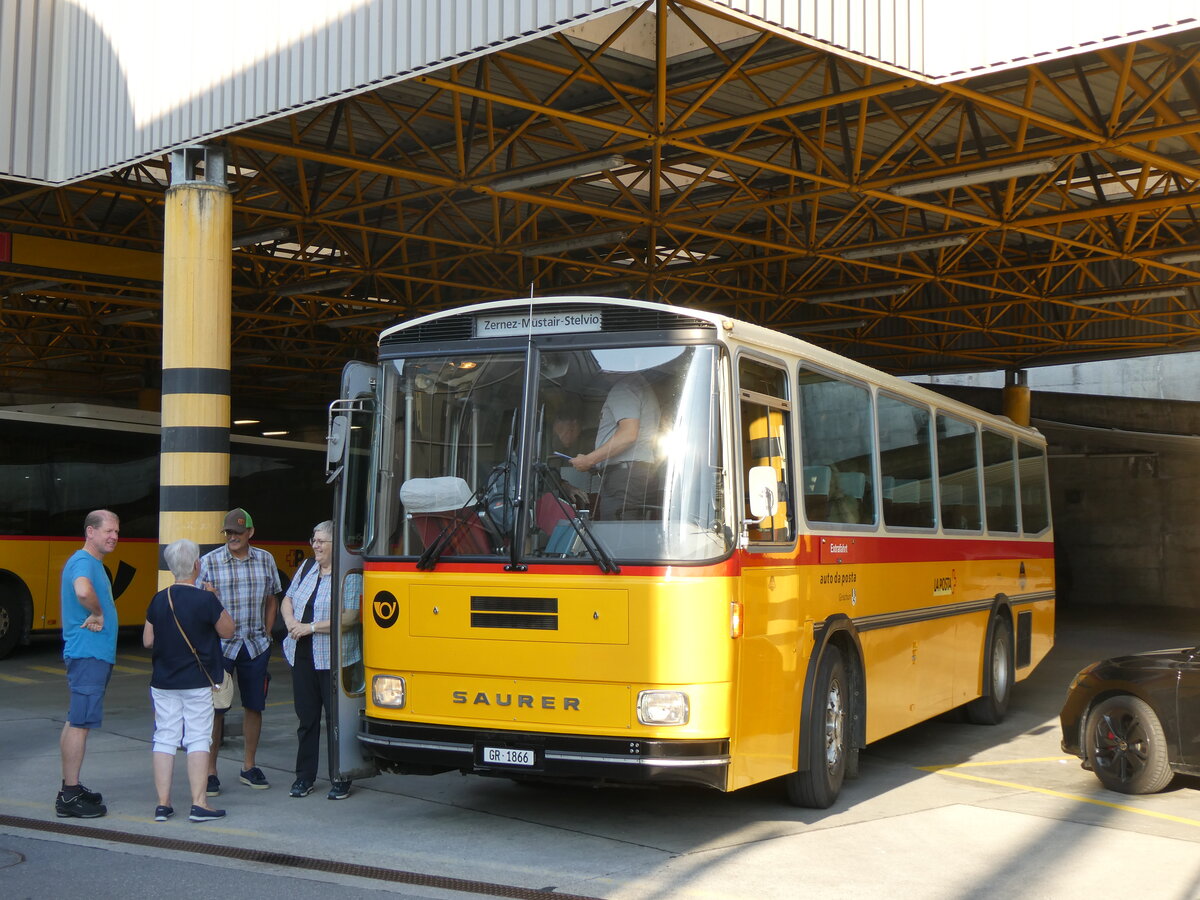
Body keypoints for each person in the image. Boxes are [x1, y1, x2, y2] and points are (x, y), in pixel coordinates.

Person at [143, 539, 235, 823]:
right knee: (197, 738)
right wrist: (213, 598)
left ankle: (163, 804)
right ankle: (199, 803)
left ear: (171, 568)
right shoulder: (205, 599)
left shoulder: (159, 599)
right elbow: (228, 631)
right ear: (197, 565)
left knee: (165, 737)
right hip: (197, 681)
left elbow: (148, 641)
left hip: (163, 681)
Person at [199, 507, 281, 795]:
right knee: (216, 709)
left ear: (250, 533)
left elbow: (272, 598)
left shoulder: (266, 560)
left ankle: (249, 766)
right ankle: (210, 772)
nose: (232, 537)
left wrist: (268, 632)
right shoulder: (208, 562)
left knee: (254, 706)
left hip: (255, 645)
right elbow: (199, 606)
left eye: (237, 532)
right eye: (228, 533)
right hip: (221, 647)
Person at [281, 520, 361, 800]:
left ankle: (341, 775)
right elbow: (287, 599)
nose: (314, 545)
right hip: (301, 654)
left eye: (320, 541)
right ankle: (304, 778)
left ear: (334, 544)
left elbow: (350, 618)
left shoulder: (348, 574)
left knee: (336, 719)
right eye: (313, 540)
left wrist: (310, 627)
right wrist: (291, 621)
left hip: (333, 659)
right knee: (307, 718)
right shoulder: (306, 568)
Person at [55, 510, 120, 818]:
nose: (114, 537)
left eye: (117, 532)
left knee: (76, 719)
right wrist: (96, 612)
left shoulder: (92, 563)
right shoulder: (83, 562)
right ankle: (69, 796)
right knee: (80, 723)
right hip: (88, 654)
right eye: (108, 531)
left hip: (91, 654)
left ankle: (72, 787)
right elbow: (82, 590)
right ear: (90, 532)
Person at [569, 373, 661, 519]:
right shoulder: (642, 387)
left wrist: (589, 460)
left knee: (616, 535)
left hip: (624, 479)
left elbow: (628, 434)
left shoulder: (623, 388)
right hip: (642, 474)